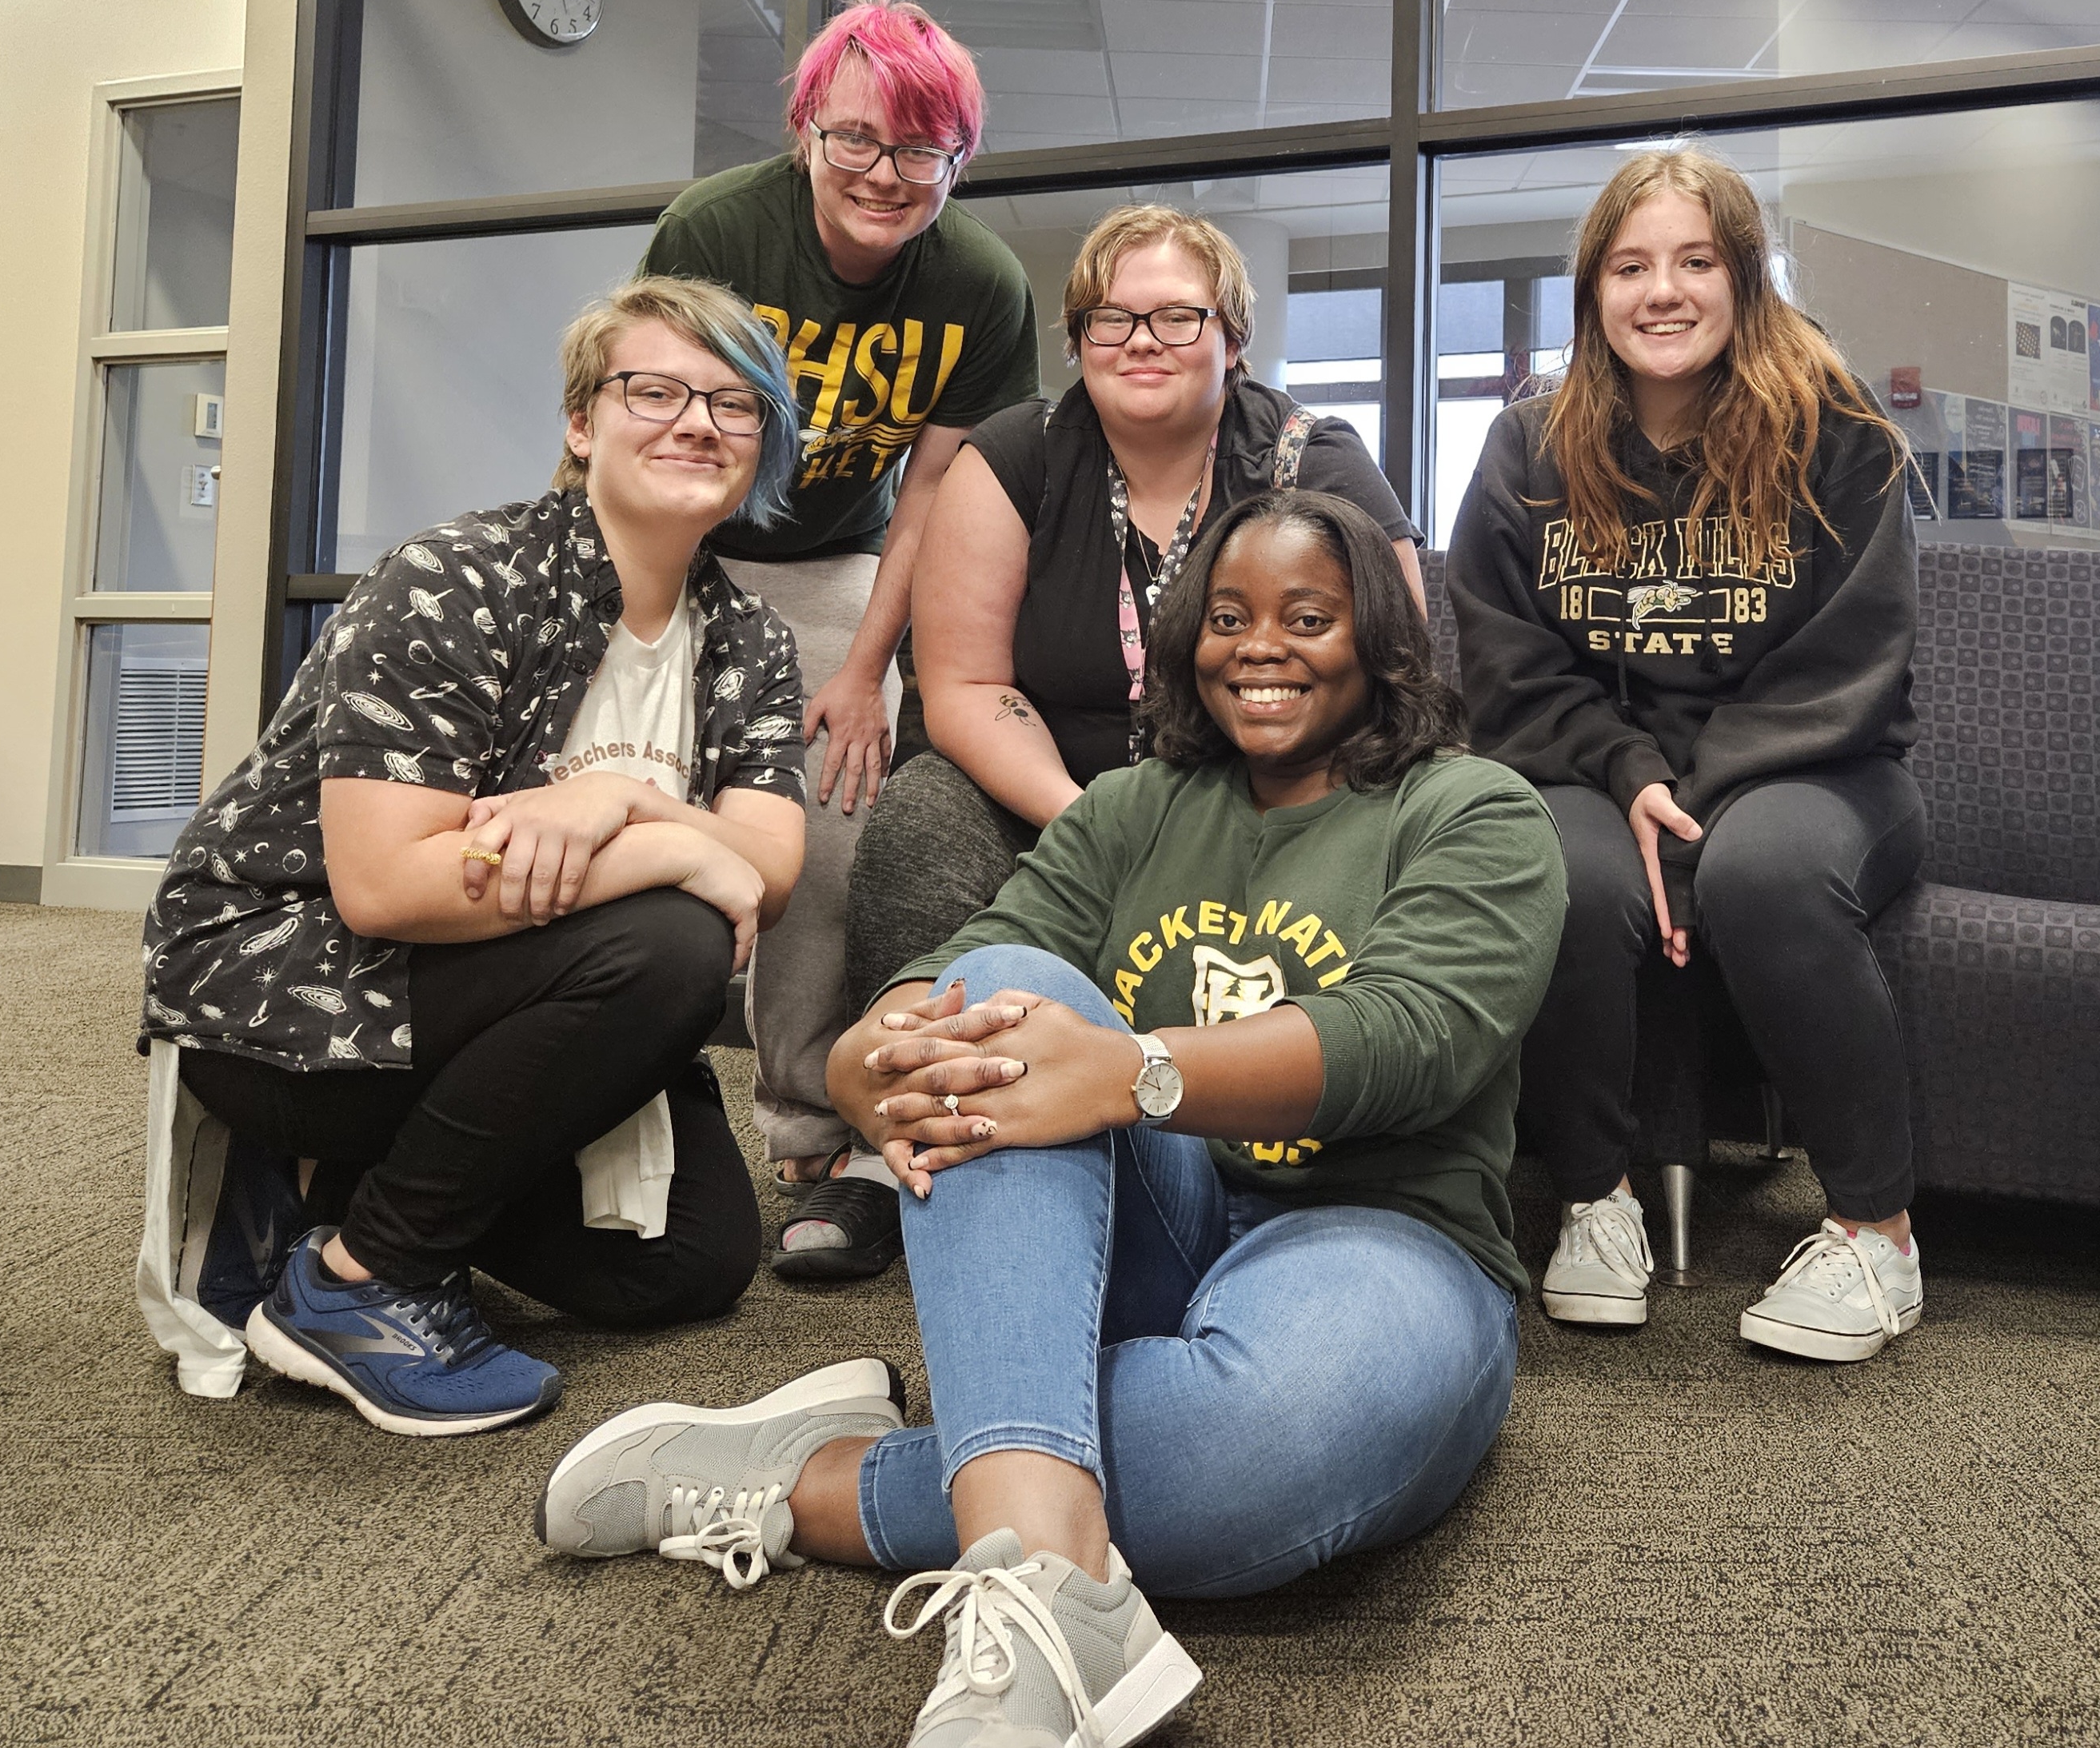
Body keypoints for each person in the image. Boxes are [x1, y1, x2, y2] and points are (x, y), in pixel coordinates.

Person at [531, 489, 1564, 1748]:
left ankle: (806, 1481)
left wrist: (1137, 1071)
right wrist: (878, 1043)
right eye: (1229, 616)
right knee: (1005, 999)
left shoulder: (1476, 810)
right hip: (1150, 1218)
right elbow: (978, 957)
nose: (1261, 646)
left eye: (1310, 617)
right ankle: (1050, 1597)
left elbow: (1414, 1038)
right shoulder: (1141, 805)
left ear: (1382, 644)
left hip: (1384, 1235)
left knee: (1257, 1458)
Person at [138, 276, 809, 1436]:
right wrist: (668, 850)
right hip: (291, 981)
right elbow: (386, 884)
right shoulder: (459, 578)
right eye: (655, 389)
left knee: (688, 1267)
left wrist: (614, 806)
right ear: (581, 422)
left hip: (519, 991)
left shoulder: (747, 639)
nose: (699, 421)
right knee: (674, 942)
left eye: (736, 403)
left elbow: (770, 864)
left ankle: (340, 1195)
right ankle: (359, 1280)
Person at [791, 207, 1422, 1281]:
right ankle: (898, 1134)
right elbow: (967, 687)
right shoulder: (1018, 454)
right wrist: (1090, 820)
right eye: (1112, 318)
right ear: (1076, 338)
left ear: (1234, 339)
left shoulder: (1311, 460)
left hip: (1251, 796)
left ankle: (1231, 1138)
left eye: (1179, 317)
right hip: (1049, 789)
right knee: (926, 812)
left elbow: (1401, 666)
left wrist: (1208, 820)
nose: (1142, 341)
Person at [1446, 145, 1929, 1363]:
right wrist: (1628, 779)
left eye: (1695, 262)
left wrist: (1691, 803)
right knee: (1568, 869)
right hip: (1599, 773)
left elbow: (1851, 662)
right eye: (1630, 266)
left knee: (1761, 870)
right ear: (1594, 293)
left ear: (1743, 279)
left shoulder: (1842, 437)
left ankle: (1878, 1232)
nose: (1662, 292)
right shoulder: (1526, 451)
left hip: (1814, 770)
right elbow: (1506, 665)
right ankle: (1593, 1200)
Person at [638, 0, 1041, 1219]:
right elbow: (652, 417)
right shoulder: (716, 228)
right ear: (807, 127)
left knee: (835, 815)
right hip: (687, 535)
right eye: (855, 137)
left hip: (843, 560)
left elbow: (934, 489)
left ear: (957, 161)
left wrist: (867, 670)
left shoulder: (979, 282)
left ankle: (813, 1124)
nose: (883, 170)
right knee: (632, 791)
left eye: (921, 148)